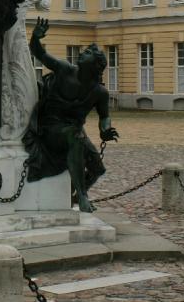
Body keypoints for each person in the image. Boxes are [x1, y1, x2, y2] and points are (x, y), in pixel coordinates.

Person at [22, 18, 119, 212]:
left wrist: (105, 130)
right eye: (86, 51)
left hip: (73, 129)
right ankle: (83, 198)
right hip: (49, 126)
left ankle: (72, 194)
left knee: (97, 169)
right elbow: (39, 53)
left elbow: (104, 117)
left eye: (90, 53)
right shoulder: (66, 70)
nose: (84, 52)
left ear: (97, 66)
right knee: (75, 136)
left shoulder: (99, 92)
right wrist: (35, 37)